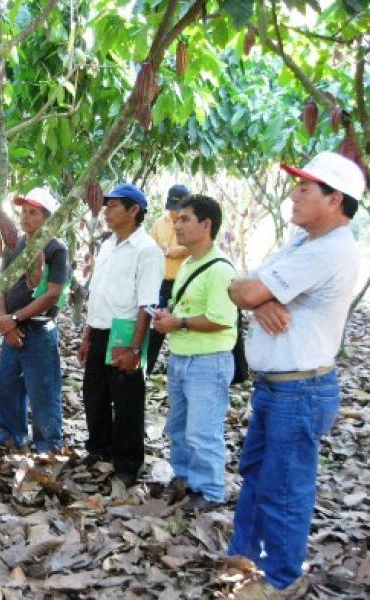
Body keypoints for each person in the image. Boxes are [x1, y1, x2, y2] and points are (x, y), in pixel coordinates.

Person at [225, 152, 364, 598]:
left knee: (284, 487)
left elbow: (246, 289)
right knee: (257, 474)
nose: (294, 195)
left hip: (299, 390)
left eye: (305, 188)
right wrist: (259, 298)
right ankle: (244, 556)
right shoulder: (300, 243)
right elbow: (240, 286)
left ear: (334, 199)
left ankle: (282, 579)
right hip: (279, 387)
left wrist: (254, 294)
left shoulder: (329, 250)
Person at [152, 195, 237, 511]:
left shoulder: (221, 269)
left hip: (208, 360)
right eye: (177, 219)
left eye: (185, 219)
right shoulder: (187, 264)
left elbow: (220, 318)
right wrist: (168, 317)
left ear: (206, 224)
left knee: (203, 431)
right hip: (181, 356)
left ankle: (210, 491)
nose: (177, 225)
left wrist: (179, 321)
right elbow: (185, 307)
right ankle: (185, 479)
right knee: (179, 427)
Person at [77, 183, 163, 486]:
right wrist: (88, 335)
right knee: (95, 394)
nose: (106, 211)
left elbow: (147, 304)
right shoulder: (108, 245)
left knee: (126, 399)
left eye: (113, 206)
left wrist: (136, 348)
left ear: (134, 210)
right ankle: (100, 450)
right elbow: (98, 293)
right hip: (100, 329)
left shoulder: (147, 250)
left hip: (125, 331)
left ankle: (127, 463)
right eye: (106, 206)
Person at [0, 188, 69, 455]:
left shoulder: (56, 249)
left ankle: (48, 446)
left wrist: (14, 319)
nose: (25, 217)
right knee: (6, 387)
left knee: (43, 391)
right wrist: (5, 321)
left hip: (38, 330)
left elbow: (52, 293)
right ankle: (11, 435)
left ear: (47, 218)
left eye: (33, 212)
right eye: (23, 211)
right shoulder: (14, 246)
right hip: (11, 329)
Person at [147, 183, 191, 373]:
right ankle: (147, 366)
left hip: (185, 283)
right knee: (158, 323)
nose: (174, 214)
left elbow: (196, 246)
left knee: (183, 324)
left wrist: (175, 251)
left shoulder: (193, 223)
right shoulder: (159, 223)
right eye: (172, 209)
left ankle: (180, 367)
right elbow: (150, 247)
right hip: (163, 283)